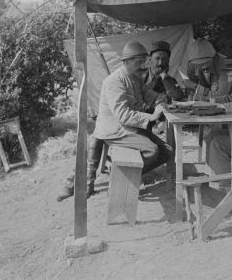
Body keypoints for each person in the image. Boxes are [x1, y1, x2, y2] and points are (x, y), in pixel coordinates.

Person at [56, 41, 172, 201]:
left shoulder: (135, 78)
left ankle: (126, 176)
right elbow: (123, 115)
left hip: (127, 128)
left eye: (144, 62)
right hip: (115, 129)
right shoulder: (115, 81)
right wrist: (151, 117)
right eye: (139, 62)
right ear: (127, 62)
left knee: (167, 152)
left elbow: (149, 94)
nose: (144, 66)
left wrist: (161, 100)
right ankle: (117, 179)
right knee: (150, 150)